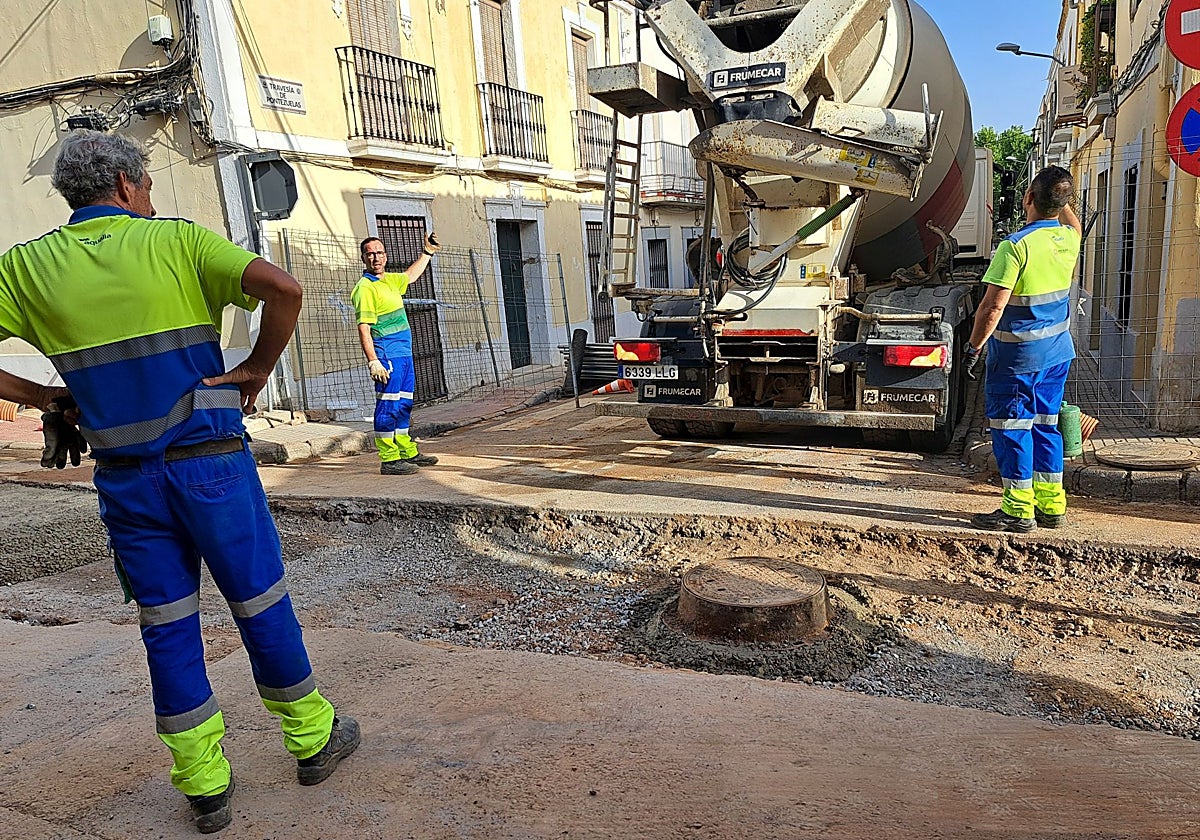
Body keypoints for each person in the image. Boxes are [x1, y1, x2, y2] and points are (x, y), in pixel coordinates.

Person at [0, 130, 359, 834]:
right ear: (129, 185)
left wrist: (44, 398)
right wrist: (257, 367)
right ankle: (313, 740)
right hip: (212, 467)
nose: (154, 196)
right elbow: (284, 288)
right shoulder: (178, 241)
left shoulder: (24, 268)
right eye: (151, 186)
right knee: (260, 603)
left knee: (166, 625)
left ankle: (204, 786)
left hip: (127, 481)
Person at [964, 165, 1082, 533]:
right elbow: (1074, 224)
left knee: (1013, 427)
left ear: (1028, 198)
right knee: (1047, 426)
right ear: (1064, 204)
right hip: (1057, 354)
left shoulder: (1015, 246)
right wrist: (1061, 201)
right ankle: (1052, 506)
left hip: (1017, 360)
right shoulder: (1069, 239)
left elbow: (992, 307)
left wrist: (973, 348)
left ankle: (1017, 511)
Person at [352, 233, 441, 475]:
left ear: (386, 256)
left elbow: (410, 276)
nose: (375, 257)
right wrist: (373, 362)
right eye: (370, 253)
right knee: (388, 406)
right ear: (363, 258)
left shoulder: (389, 281)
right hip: (387, 356)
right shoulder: (365, 288)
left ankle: (406, 451)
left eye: (379, 253)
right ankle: (389, 459)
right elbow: (364, 329)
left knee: (403, 404)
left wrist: (427, 252)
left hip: (403, 354)